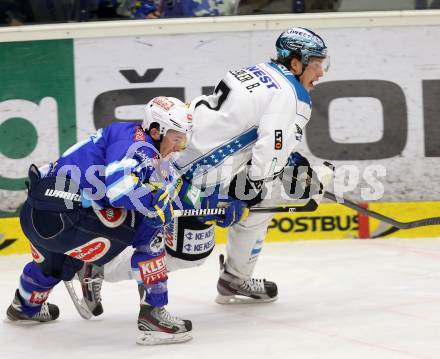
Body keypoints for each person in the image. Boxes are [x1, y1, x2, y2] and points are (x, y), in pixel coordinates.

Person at [73, 27, 332, 313]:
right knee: (188, 255)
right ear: (296, 63)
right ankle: (98, 268)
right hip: (193, 174)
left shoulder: (260, 71)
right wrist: (249, 192)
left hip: (178, 152)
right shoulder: (293, 96)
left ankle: (236, 278)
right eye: (316, 64)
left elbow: (249, 131)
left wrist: (283, 165)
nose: (320, 73)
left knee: (264, 203)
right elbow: (269, 153)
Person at [5, 96, 196, 345]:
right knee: (151, 227)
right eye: (176, 138)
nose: (180, 147)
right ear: (156, 130)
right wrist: (156, 208)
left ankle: (25, 304)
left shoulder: (137, 143)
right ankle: (153, 313)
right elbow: (120, 191)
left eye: (184, 139)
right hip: (69, 218)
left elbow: (170, 189)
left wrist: (211, 205)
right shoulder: (137, 145)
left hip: (35, 214)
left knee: (55, 262)